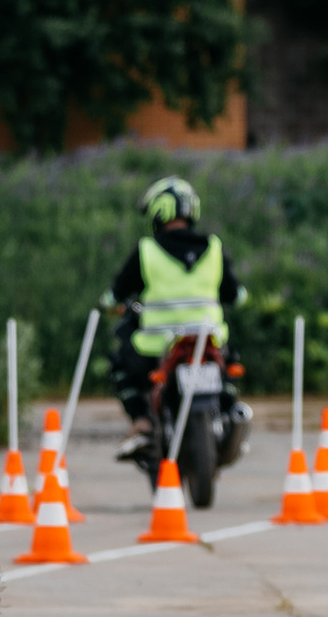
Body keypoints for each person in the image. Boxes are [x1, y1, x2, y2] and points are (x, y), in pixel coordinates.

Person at [104, 175, 243, 458]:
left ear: (158, 211)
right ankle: (229, 409)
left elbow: (115, 295)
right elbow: (235, 295)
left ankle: (141, 423)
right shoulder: (214, 248)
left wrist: (109, 304)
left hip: (158, 343)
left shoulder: (147, 251)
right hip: (207, 339)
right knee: (230, 361)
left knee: (121, 365)